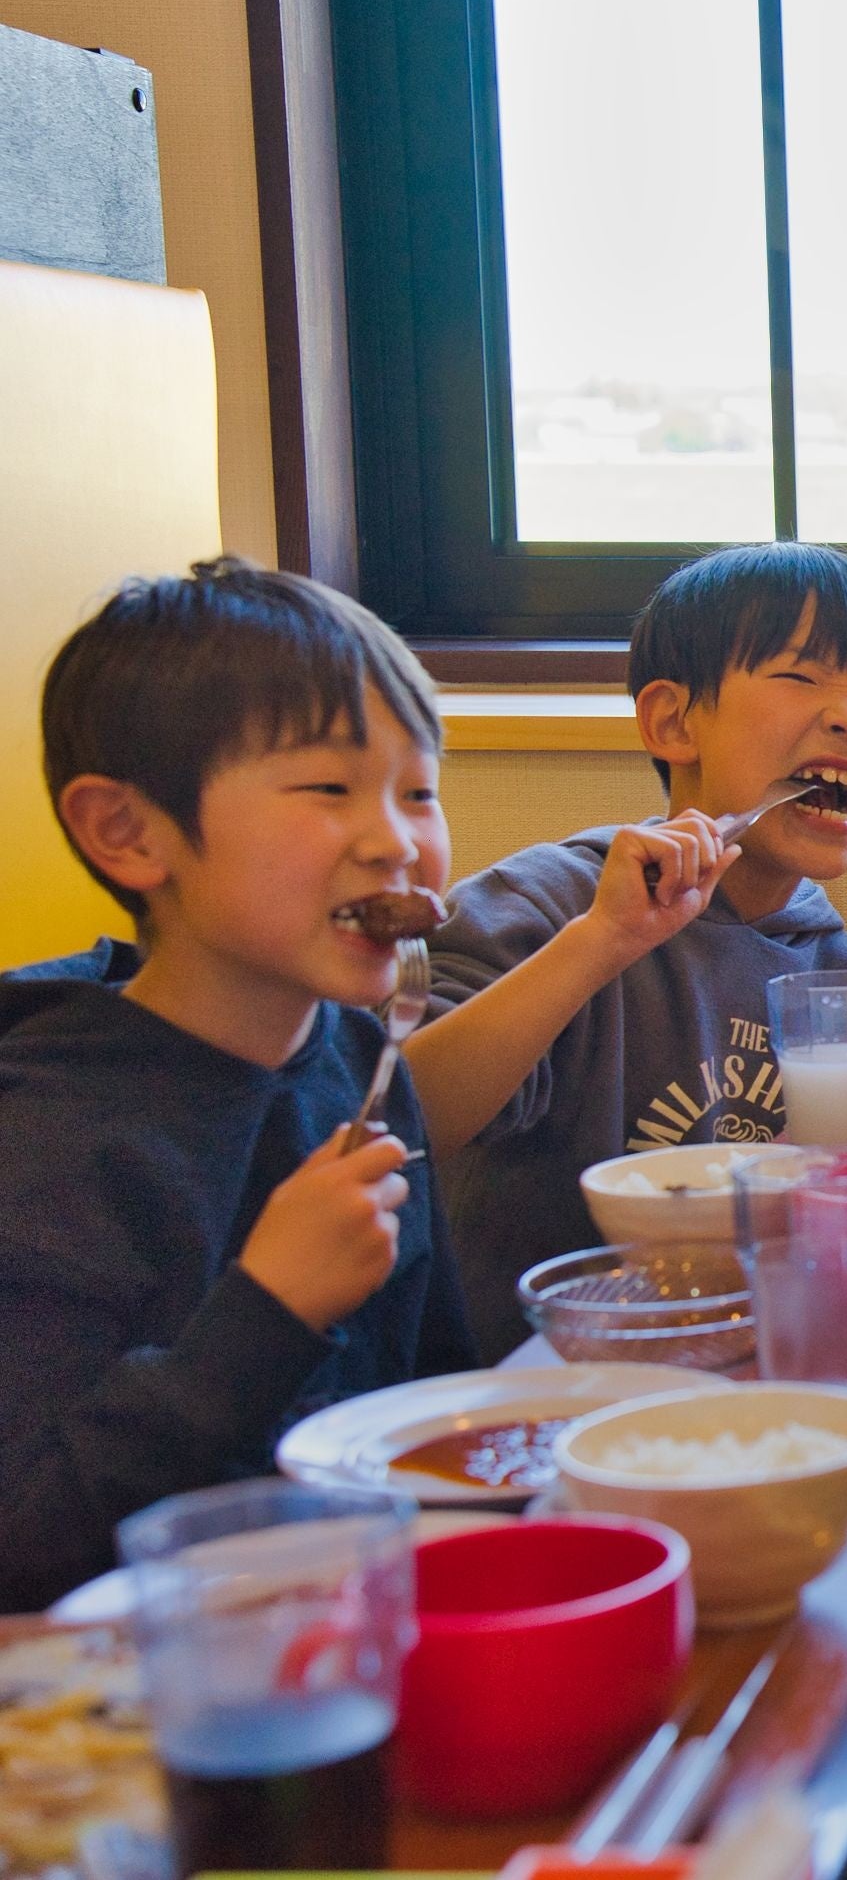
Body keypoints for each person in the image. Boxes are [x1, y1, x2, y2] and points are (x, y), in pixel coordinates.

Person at [0, 560, 472, 1610]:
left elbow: (435, 1392)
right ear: (129, 832)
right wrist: (270, 1309)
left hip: (368, 1622)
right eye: (329, 789)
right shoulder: (50, 1137)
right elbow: (26, 1548)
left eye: (420, 790)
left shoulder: (363, 1054)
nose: (398, 840)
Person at [410, 542, 847, 1353]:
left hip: (740, 1366)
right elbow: (392, 1116)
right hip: (537, 1386)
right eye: (801, 676)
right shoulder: (549, 904)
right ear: (673, 722)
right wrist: (600, 943)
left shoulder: (836, 967)